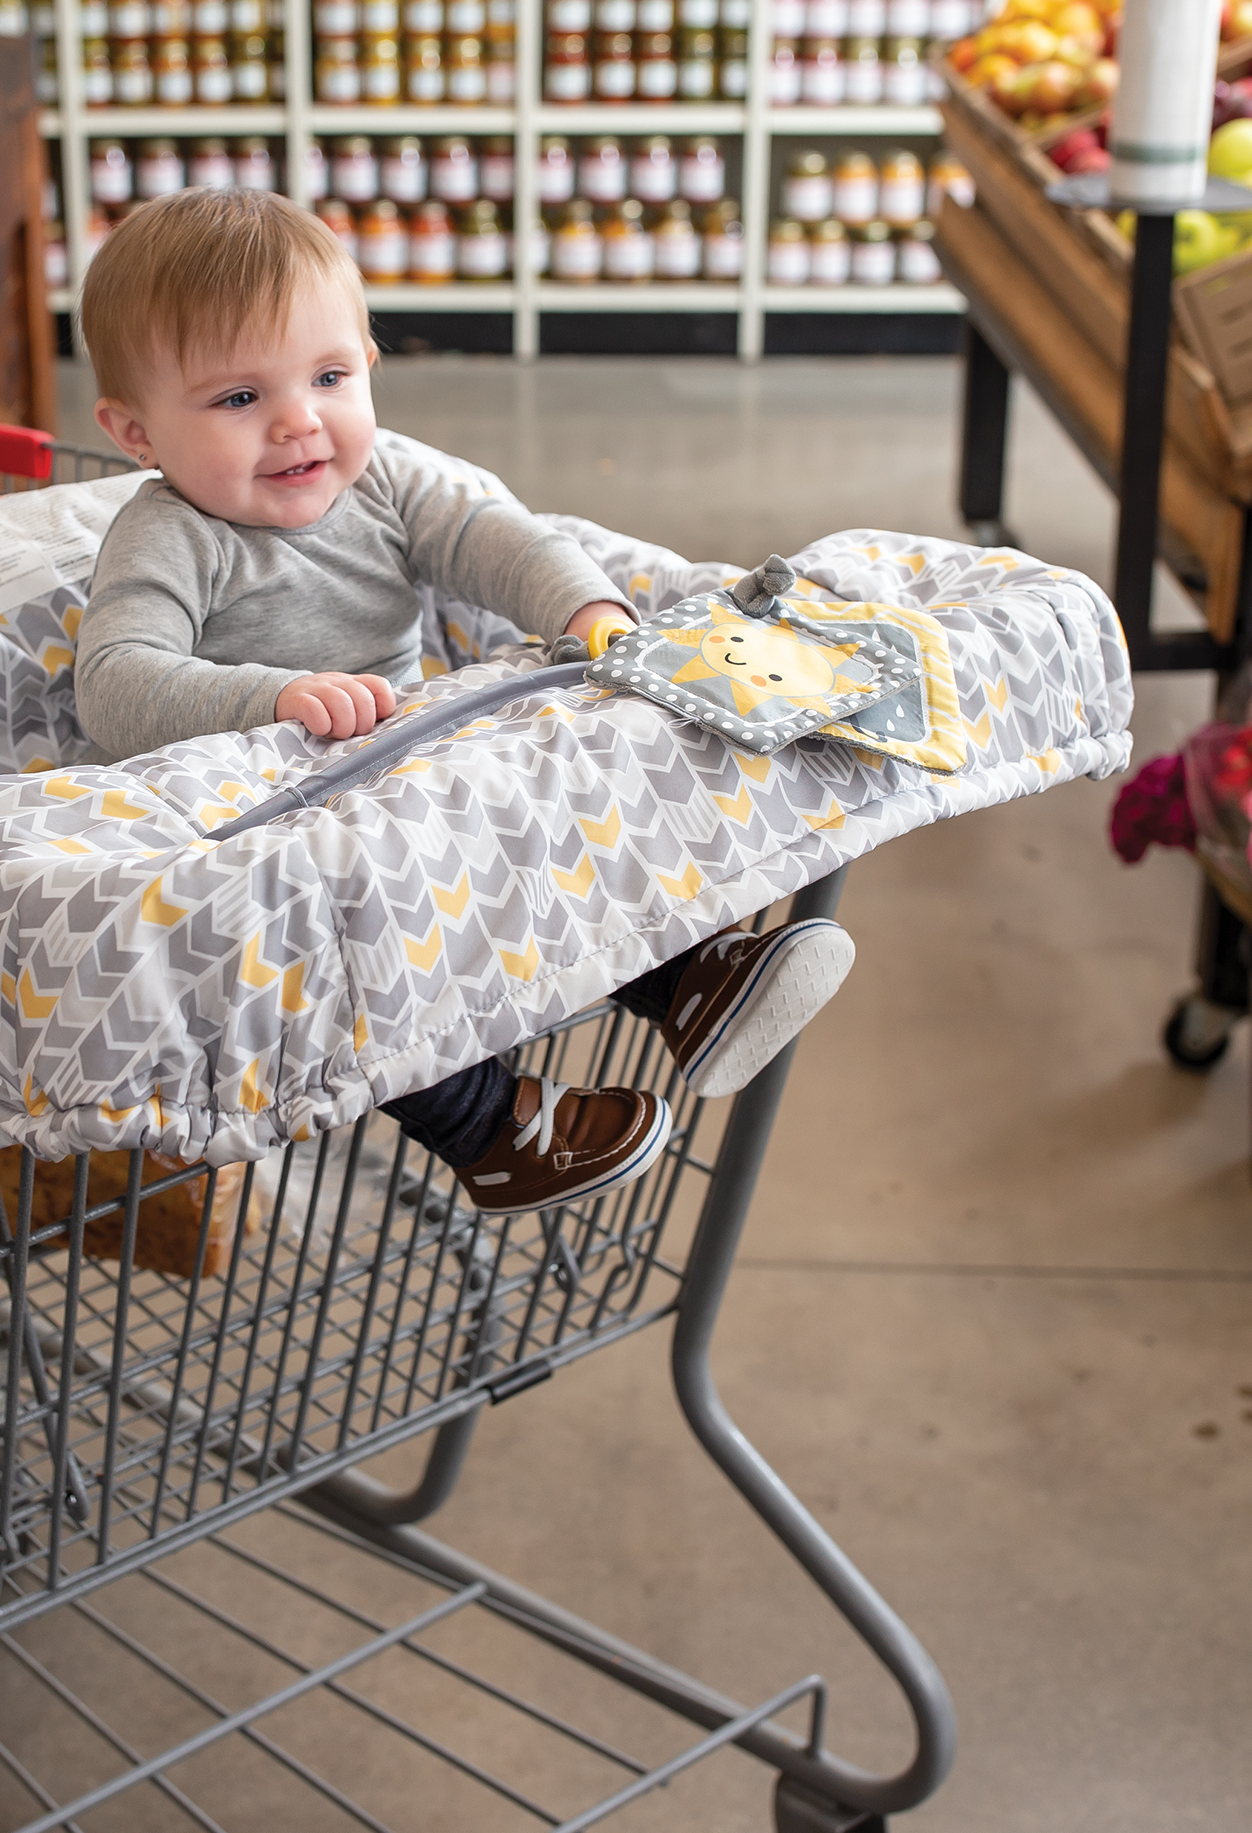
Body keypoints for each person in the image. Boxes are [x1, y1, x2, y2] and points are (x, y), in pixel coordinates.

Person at [72, 187, 852, 1215]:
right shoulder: (171, 534)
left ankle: (686, 980)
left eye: (329, 375)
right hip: (266, 819)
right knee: (345, 945)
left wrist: (585, 608)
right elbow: (113, 681)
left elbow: (495, 536)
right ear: (135, 432)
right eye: (236, 400)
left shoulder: (384, 480)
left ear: (368, 364)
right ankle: (487, 1125)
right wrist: (278, 697)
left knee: (534, 818)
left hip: (408, 776)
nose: (299, 420)